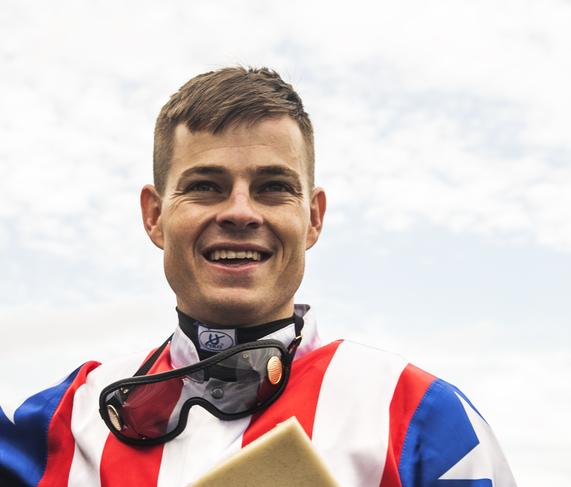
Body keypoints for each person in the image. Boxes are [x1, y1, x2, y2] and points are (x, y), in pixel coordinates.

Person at [0, 67, 517, 486]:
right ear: (154, 215)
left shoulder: (419, 415)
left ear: (313, 217)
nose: (241, 212)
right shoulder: (67, 415)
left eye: (273, 187)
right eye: (205, 186)